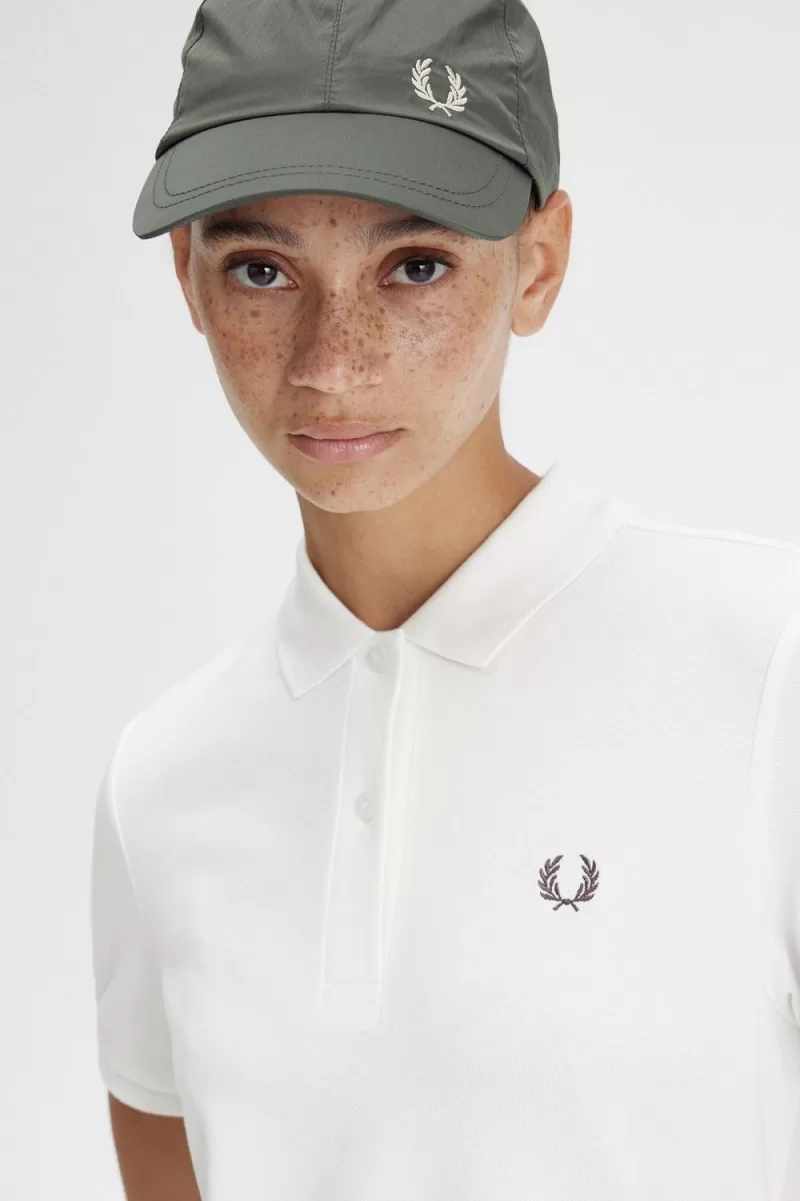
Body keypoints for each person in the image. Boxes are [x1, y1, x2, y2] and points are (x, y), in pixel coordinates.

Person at [90, 1, 800, 1199]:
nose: (331, 359)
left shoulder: (764, 670)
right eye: (261, 270)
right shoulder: (159, 783)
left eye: (413, 265)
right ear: (189, 280)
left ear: (539, 262)